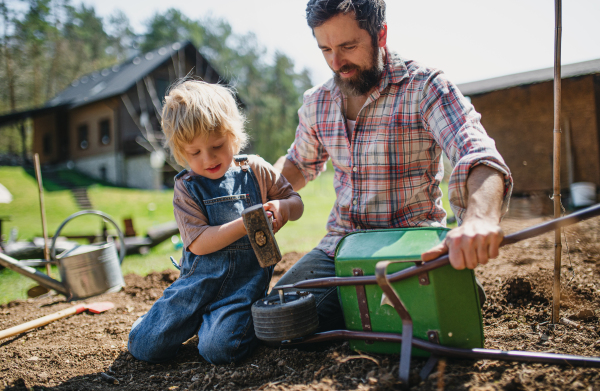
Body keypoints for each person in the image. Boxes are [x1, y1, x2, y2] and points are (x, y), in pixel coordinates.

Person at [272, 0, 513, 331]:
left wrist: (479, 219)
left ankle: (435, 294)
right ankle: (379, 308)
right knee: (280, 318)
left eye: (348, 46)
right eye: (325, 49)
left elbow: (476, 152)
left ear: (380, 34)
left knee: (438, 323)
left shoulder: (425, 86)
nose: (336, 62)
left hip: (410, 245)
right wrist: (260, 191)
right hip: (341, 249)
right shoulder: (317, 102)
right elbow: (299, 164)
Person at [128, 80, 304, 364]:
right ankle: (167, 321)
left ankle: (220, 324)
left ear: (233, 135)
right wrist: (248, 222)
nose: (207, 159)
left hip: (242, 287)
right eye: (194, 153)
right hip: (195, 285)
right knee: (144, 346)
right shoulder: (187, 187)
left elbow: (296, 203)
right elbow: (199, 243)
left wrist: (283, 207)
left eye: (217, 146)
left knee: (221, 351)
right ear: (180, 151)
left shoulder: (255, 169)